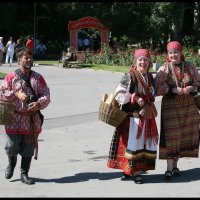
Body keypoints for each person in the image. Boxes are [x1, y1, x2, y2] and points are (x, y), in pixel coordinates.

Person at [107, 49, 158, 184]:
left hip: (147, 116)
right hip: (133, 118)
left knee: (144, 143)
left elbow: (153, 92)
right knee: (135, 143)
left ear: (149, 62)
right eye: (140, 59)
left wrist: (149, 98)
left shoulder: (150, 76)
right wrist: (134, 97)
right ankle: (136, 172)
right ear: (135, 61)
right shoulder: (130, 75)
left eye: (146, 60)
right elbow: (119, 94)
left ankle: (134, 169)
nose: (143, 62)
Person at [0, 47, 50, 185]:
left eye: (30, 57)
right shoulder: (11, 77)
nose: (29, 60)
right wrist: (16, 94)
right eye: (26, 58)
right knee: (11, 146)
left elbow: (46, 95)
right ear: (18, 61)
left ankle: (24, 174)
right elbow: (2, 93)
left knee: (29, 148)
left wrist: (38, 104)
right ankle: (11, 164)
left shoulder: (38, 78)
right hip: (13, 119)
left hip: (31, 119)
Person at [155, 41, 200, 179]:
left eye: (176, 52)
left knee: (182, 136)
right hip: (171, 106)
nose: (173, 55)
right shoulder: (165, 68)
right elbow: (157, 87)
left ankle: (175, 166)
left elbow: (198, 82)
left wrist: (191, 88)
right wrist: (173, 89)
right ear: (168, 54)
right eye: (170, 52)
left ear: (181, 53)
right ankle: (169, 168)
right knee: (171, 136)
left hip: (188, 106)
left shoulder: (189, 66)